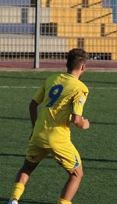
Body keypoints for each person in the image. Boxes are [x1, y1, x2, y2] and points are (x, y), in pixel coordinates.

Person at [8, 48, 90, 204]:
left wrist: (34, 128)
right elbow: (76, 119)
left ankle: (13, 200)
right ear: (83, 67)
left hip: (38, 134)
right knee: (76, 174)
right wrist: (85, 124)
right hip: (58, 139)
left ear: (67, 63)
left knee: (27, 167)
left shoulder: (51, 79)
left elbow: (33, 105)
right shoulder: (80, 88)